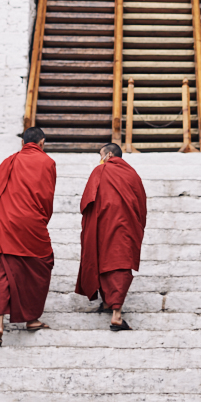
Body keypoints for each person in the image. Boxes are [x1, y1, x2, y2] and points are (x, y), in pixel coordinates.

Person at [0, 126, 56, 346]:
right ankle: (31, 319)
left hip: (5, 224)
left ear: (23, 143)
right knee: (42, 263)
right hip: (32, 223)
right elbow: (47, 199)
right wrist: (40, 220)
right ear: (42, 143)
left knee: (4, 273)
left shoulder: (9, 161)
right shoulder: (48, 163)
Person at [75, 142, 147, 331]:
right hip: (125, 228)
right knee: (120, 262)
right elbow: (141, 206)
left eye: (101, 155)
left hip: (102, 225)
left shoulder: (100, 170)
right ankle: (112, 307)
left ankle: (115, 312)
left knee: (103, 261)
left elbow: (86, 203)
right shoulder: (133, 175)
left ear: (107, 156)